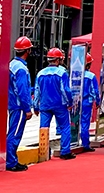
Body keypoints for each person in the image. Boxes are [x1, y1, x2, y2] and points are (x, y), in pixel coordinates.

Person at [34, 47, 75, 159]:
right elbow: (65, 90)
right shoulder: (62, 73)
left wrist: (35, 106)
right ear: (57, 60)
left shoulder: (40, 73)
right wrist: (70, 102)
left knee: (44, 128)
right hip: (59, 105)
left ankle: (43, 152)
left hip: (44, 105)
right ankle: (65, 152)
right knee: (65, 127)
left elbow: (37, 91)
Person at [7, 37, 34, 171]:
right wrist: (27, 108)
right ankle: (11, 162)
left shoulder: (12, 64)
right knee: (15, 134)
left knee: (12, 132)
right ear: (27, 50)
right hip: (19, 106)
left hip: (12, 104)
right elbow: (22, 90)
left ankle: (11, 159)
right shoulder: (21, 69)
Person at [80, 53, 100, 152]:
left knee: (73, 123)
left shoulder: (74, 74)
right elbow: (95, 91)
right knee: (85, 123)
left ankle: (72, 143)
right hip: (87, 102)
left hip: (75, 102)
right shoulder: (91, 76)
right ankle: (85, 144)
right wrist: (98, 102)